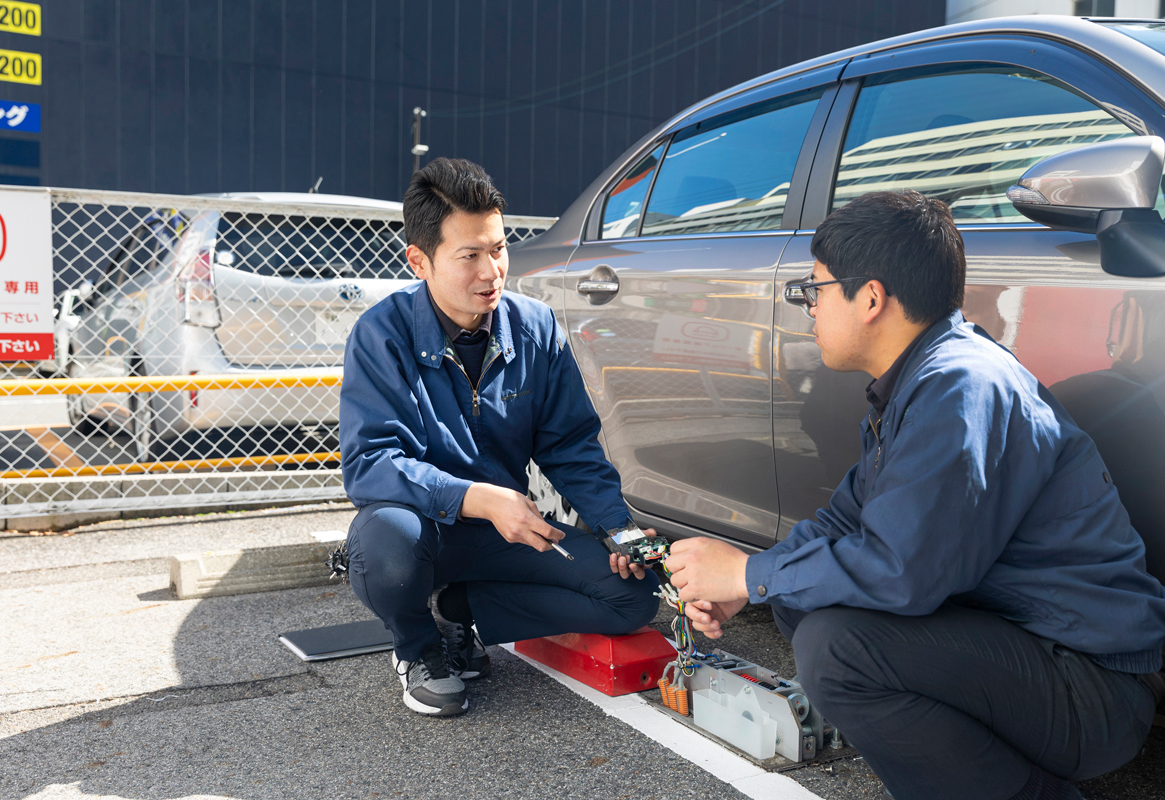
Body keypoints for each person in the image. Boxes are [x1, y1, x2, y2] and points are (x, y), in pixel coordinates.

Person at [663, 190, 1165, 800]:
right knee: (802, 600)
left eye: (814, 290)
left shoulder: (960, 387)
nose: (809, 309)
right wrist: (746, 584)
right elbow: (839, 524)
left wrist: (747, 574)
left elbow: (903, 571)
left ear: (870, 297)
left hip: (1092, 686)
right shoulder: (918, 384)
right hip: (1034, 647)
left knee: (836, 648)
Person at [339, 157, 660, 717]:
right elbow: (369, 463)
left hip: (506, 534)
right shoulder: (380, 334)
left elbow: (570, 445)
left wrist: (618, 529)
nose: (492, 272)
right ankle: (419, 649)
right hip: (423, 534)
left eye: (499, 248)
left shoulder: (534, 327)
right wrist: (476, 498)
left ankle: (461, 613)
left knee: (632, 597)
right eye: (470, 256)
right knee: (385, 547)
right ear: (420, 260)